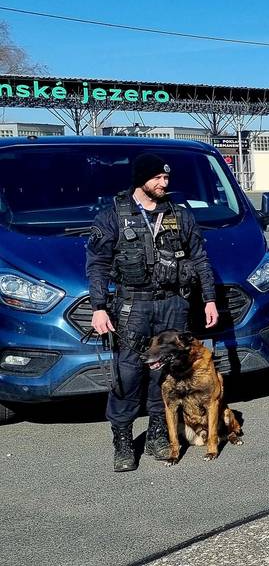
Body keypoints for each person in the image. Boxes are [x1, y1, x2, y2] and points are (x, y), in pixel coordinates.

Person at [85, 153, 219, 472]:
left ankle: (159, 434)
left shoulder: (179, 214)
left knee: (166, 374)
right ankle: (122, 441)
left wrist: (209, 299)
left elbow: (200, 258)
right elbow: (98, 264)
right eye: (158, 178)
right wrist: (99, 307)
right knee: (128, 374)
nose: (164, 183)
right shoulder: (113, 216)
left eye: (167, 178)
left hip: (173, 304)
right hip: (133, 306)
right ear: (141, 179)